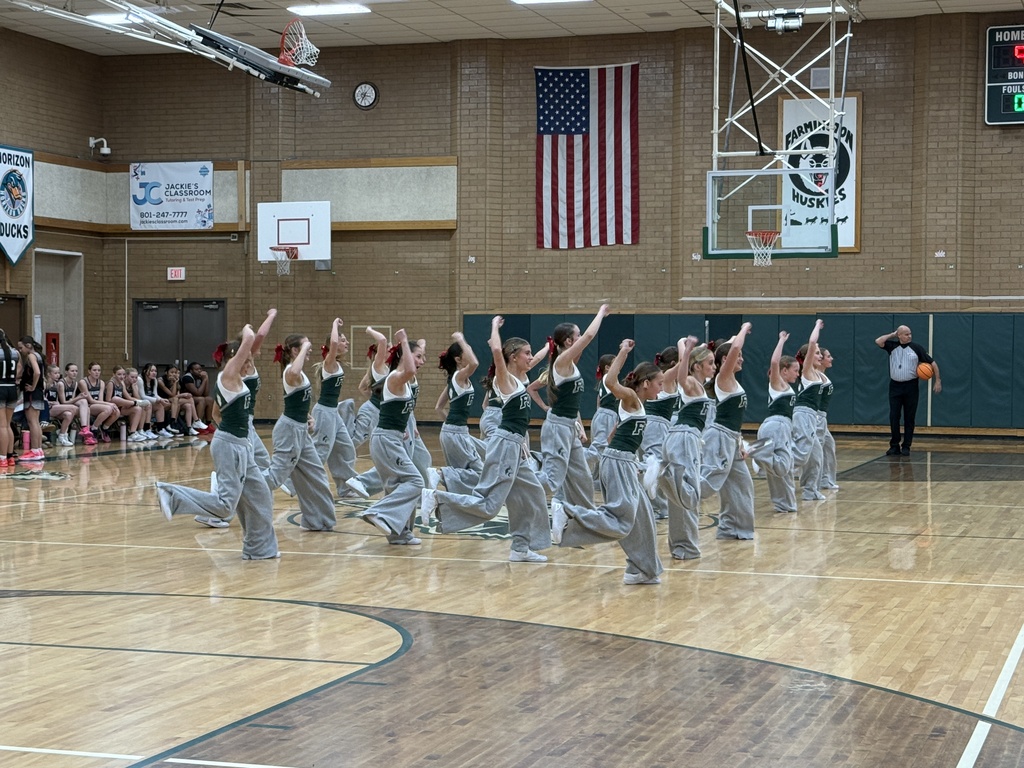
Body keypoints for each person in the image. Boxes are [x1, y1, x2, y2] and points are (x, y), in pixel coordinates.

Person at [421, 316, 551, 563]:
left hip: (515, 445)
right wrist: (494, 328)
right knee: (490, 504)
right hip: (505, 445)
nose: (530, 357)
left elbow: (531, 359)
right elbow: (496, 351)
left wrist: (548, 348)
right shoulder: (505, 380)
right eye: (526, 353)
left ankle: (520, 548)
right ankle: (438, 498)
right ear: (513, 357)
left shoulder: (521, 380)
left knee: (533, 492)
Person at [156, 325, 280, 560]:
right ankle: (171, 495)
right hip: (230, 446)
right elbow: (250, 338)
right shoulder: (227, 376)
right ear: (234, 358)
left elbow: (216, 413)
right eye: (246, 359)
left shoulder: (236, 380)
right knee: (225, 506)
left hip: (239, 444)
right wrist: (248, 329)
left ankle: (259, 549)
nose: (249, 364)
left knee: (260, 494)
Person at [551, 339, 664, 585]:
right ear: (646, 383)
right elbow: (610, 382)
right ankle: (568, 512)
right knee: (621, 520)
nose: (662, 388)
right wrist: (623, 351)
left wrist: (631, 460)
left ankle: (640, 570)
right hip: (618, 463)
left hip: (623, 461)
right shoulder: (631, 396)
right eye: (659, 383)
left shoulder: (637, 405)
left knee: (643, 517)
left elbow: (614, 435)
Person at [535, 304, 609, 509]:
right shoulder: (562, 361)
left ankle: (586, 515)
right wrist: (601, 312)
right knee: (552, 480)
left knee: (582, 476)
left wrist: (578, 425)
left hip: (568, 427)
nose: (581, 337)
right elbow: (589, 336)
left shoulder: (570, 363)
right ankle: (517, 481)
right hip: (557, 428)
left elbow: (572, 403)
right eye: (577, 335)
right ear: (568, 341)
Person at [358, 329, 428, 545]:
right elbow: (409, 368)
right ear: (404, 356)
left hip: (393, 438)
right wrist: (404, 341)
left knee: (398, 486)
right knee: (416, 481)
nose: (422, 362)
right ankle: (378, 512)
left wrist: (404, 429)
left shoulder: (404, 382)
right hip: (386, 440)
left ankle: (400, 535)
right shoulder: (396, 377)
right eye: (418, 357)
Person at [263, 333, 337, 532]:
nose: (309, 352)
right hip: (288, 431)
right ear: (295, 350)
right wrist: (304, 348)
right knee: (275, 477)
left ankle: (317, 520)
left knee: (316, 474)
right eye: (305, 349)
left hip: (300, 430)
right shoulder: (290, 371)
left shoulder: (299, 373)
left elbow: (296, 401)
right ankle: (230, 486)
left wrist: (308, 417)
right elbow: (294, 371)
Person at [700, 322, 756, 541]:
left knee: (742, 485)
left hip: (731, 438)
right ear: (725, 360)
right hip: (719, 437)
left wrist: (739, 443)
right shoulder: (723, 378)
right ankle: (675, 487)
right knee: (708, 485)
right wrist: (743, 328)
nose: (741, 358)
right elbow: (734, 348)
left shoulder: (730, 380)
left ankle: (733, 529)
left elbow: (736, 420)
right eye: (738, 356)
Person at [661, 337, 713, 560]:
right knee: (689, 493)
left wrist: (686, 346)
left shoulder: (700, 385)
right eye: (710, 363)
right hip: (684, 437)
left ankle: (682, 545)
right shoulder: (690, 382)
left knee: (682, 494)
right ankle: (685, 546)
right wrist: (688, 348)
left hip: (685, 437)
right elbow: (681, 377)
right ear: (697, 366)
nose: (714, 366)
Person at [310, 317, 359, 498]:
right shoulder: (329, 362)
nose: (347, 343)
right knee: (320, 451)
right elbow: (332, 342)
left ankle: (345, 488)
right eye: (343, 340)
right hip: (324, 412)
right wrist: (334, 325)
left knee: (346, 448)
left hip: (333, 412)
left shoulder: (336, 364)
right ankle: (300, 483)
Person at [876, 325, 942, 456]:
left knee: (909, 417)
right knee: (894, 416)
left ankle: (906, 446)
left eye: (910, 333)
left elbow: (933, 363)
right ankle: (894, 445)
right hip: (895, 386)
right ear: (899, 335)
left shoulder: (916, 348)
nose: (909, 336)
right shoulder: (892, 346)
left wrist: (938, 380)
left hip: (911, 386)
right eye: (906, 334)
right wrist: (892, 334)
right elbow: (878, 341)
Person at [434, 332, 486, 495]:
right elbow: (475, 363)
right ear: (458, 359)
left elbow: (438, 407)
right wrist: (461, 340)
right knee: (480, 472)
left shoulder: (455, 379)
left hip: (454, 431)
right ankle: (439, 474)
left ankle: (453, 502)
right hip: (455, 432)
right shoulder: (458, 376)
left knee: (462, 473)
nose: (471, 353)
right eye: (467, 351)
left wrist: (451, 428)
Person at [753, 332, 800, 513]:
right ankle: (758, 454)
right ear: (784, 370)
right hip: (776, 425)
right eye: (795, 370)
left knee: (785, 470)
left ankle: (785, 504)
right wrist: (781, 340)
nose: (798, 374)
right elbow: (774, 362)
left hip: (782, 426)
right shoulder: (777, 383)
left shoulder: (786, 386)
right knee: (783, 466)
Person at [16, 336, 46, 461]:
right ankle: (38, 450)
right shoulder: (39, 355)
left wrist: (33, 386)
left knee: (32, 422)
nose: (20, 350)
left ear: (28, 346)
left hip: (32, 393)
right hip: (38, 392)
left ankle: (34, 450)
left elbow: (37, 372)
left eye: (21, 347)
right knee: (36, 422)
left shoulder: (32, 356)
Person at [0, 330, 20, 466]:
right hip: (12, 389)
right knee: (7, 425)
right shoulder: (15, 352)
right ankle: (10, 456)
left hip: (1, 388)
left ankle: (2, 458)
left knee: (2, 426)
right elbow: (19, 370)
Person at [180, 361, 214, 431]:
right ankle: (197, 423)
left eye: (200, 369)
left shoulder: (199, 377)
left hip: (193, 398)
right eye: (196, 369)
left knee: (209, 399)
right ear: (191, 371)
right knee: (201, 399)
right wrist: (204, 380)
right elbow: (198, 393)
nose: (199, 371)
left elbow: (206, 394)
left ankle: (208, 423)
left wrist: (206, 379)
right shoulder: (187, 377)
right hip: (184, 397)